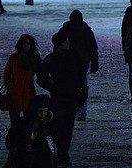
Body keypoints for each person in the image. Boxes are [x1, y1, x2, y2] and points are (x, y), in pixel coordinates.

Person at [37, 32, 88, 167]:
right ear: (60, 45)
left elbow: (82, 72)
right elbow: (41, 78)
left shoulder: (71, 57)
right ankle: (62, 154)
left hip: (68, 97)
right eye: (65, 42)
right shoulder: (52, 59)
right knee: (61, 126)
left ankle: (62, 153)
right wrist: (52, 85)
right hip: (60, 98)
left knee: (67, 127)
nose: (68, 43)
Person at [3, 34, 42, 167]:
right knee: (14, 126)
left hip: (28, 95)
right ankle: (13, 153)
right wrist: (10, 86)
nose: (26, 46)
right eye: (24, 43)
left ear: (31, 45)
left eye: (28, 44)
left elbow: (41, 74)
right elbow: (7, 74)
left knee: (27, 125)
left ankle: (24, 152)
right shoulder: (13, 58)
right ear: (20, 45)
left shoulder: (34, 59)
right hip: (14, 96)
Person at [53, 10, 97, 121]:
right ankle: (82, 111)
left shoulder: (66, 29)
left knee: (69, 86)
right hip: (82, 63)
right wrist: (94, 63)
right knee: (82, 86)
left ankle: (73, 108)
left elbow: (58, 44)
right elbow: (93, 48)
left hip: (68, 63)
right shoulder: (86, 30)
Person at [6, 94, 57, 168]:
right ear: (34, 111)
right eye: (40, 111)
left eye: (45, 111)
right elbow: (10, 141)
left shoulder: (50, 124)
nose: (43, 114)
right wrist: (24, 146)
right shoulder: (23, 123)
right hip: (25, 159)